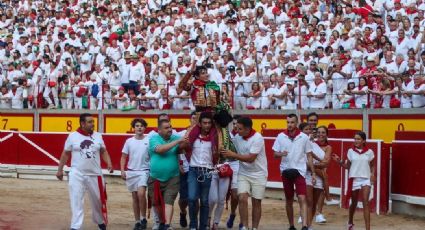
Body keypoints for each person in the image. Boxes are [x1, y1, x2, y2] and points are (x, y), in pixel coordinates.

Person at [56, 113, 113, 230]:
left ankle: (100, 221)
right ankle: (75, 226)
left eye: (93, 121)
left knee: (98, 201)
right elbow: (65, 153)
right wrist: (60, 170)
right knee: (76, 200)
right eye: (90, 122)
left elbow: (103, 151)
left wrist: (109, 163)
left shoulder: (98, 136)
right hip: (77, 173)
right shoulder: (72, 136)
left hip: (95, 174)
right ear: (82, 123)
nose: (93, 124)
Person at [221, 116, 268, 230]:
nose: (237, 130)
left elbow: (251, 158)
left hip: (259, 174)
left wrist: (233, 155)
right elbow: (226, 140)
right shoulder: (237, 136)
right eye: (237, 128)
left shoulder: (258, 138)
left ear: (247, 129)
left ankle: (255, 228)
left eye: (240, 129)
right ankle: (245, 227)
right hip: (244, 173)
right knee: (242, 198)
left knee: (256, 202)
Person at [272, 114, 315, 230]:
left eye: (292, 122)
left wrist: (313, 172)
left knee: (302, 198)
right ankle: (291, 225)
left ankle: (304, 225)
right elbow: (275, 154)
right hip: (286, 171)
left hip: (300, 171)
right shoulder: (281, 136)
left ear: (296, 123)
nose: (289, 124)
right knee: (289, 199)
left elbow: (309, 155)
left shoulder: (304, 137)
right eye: (288, 122)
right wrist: (281, 154)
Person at [148, 119, 188, 230]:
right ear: (159, 130)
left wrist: (185, 141)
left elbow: (185, 147)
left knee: (168, 201)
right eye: (166, 128)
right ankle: (161, 222)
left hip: (173, 177)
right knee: (157, 203)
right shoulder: (153, 139)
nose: (170, 129)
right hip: (155, 178)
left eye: (170, 127)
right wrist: (177, 141)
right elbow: (160, 150)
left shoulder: (175, 138)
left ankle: (167, 225)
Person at [332, 131, 375, 230]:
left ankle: (368, 228)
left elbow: (372, 165)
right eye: (355, 139)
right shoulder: (350, 151)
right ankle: (350, 221)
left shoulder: (369, 152)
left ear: (364, 141)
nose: (356, 141)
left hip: (366, 179)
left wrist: (372, 174)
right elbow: (348, 166)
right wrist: (339, 161)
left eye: (358, 139)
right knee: (354, 203)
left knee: (366, 202)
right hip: (354, 179)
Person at [185, 112, 218, 230]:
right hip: (193, 169)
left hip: (208, 171)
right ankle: (193, 225)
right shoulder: (192, 136)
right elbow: (184, 148)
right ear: (200, 124)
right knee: (192, 198)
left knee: (204, 201)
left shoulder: (215, 137)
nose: (207, 125)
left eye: (209, 123)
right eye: (204, 123)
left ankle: (203, 226)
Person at [120, 118, 150, 230]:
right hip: (131, 171)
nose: (139, 127)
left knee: (141, 194)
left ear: (144, 128)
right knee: (135, 197)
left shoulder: (149, 140)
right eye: (137, 126)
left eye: (141, 126)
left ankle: (143, 218)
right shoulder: (129, 141)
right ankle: (137, 221)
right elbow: (123, 156)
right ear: (134, 128)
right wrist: (122, 170)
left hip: (144, 171)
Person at [303, 124, 332, 230]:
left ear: (327, 135)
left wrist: (311, 166)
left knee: (314, 203)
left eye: (323, 132)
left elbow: (326, 163)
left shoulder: (328, 147)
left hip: (317, 176)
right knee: (309, 201)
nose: (321, 134)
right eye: (319, 132)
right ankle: (306, 225)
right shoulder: (310, 142)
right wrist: (316, 167)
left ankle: (309, 224)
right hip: (308, 175)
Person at [226, 115, 241, 229]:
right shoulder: (227, 135)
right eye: (234, 123)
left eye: (237, 124)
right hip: (225, 164)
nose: (235, 125)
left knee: (237, 195)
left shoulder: (244, 136)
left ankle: (233, 213)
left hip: (238, 164)